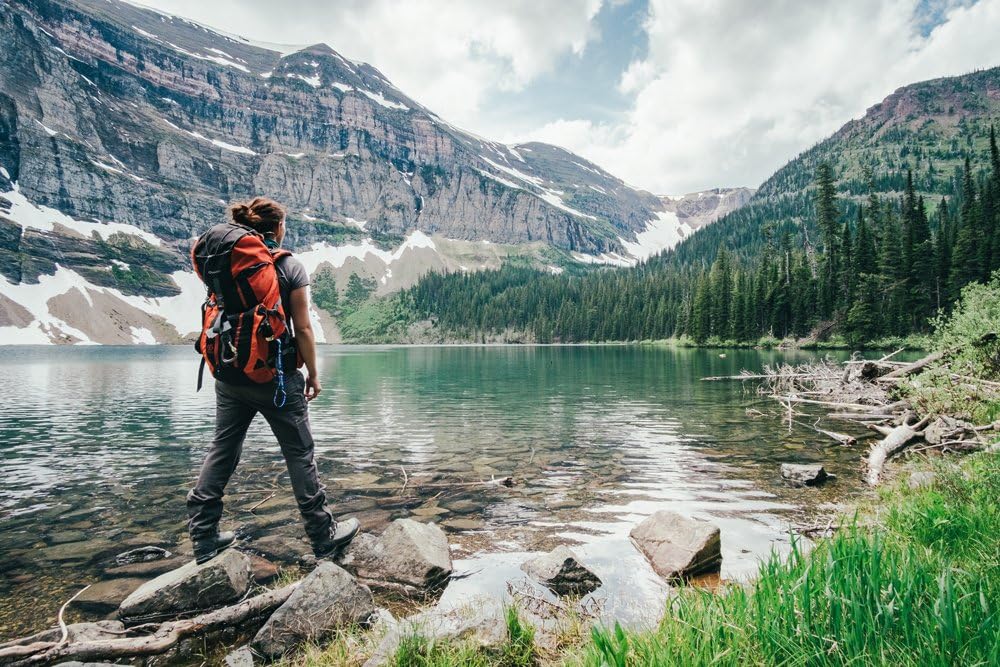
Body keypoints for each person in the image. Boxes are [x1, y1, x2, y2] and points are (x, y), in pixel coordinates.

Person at [186, 197, 359, 564]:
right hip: (276, 379)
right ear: (278, 228)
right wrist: (312, 373)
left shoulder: (225, 264)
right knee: (299, 454)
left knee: (222, 449)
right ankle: (323, 538)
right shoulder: (288, 267)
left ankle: (203, 539)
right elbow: (304, 328)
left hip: (229, 375)